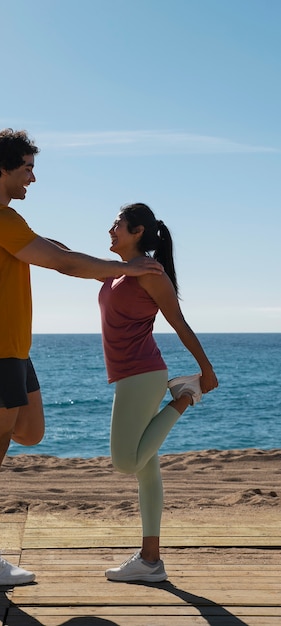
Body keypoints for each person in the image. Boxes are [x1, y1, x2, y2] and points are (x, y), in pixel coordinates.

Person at [0, 130, 163, 587]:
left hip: (11, 350)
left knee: (31, 432)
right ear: (3, 169)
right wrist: (126, 268)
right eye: (26, 168)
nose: (33, 178)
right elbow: (61, 264)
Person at [98, 202, 218, 583]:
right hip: (130, 375)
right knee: (146, 468)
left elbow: (178, 322)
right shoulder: (116, 271)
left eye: (117, 224)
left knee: (124, 461)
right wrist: (25, 238)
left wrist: (206, 369)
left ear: (137, 232)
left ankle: (185, 397)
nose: (110, 229)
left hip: (143, 373)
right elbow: (66, 257)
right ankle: (151, 561)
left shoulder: (150, 273)